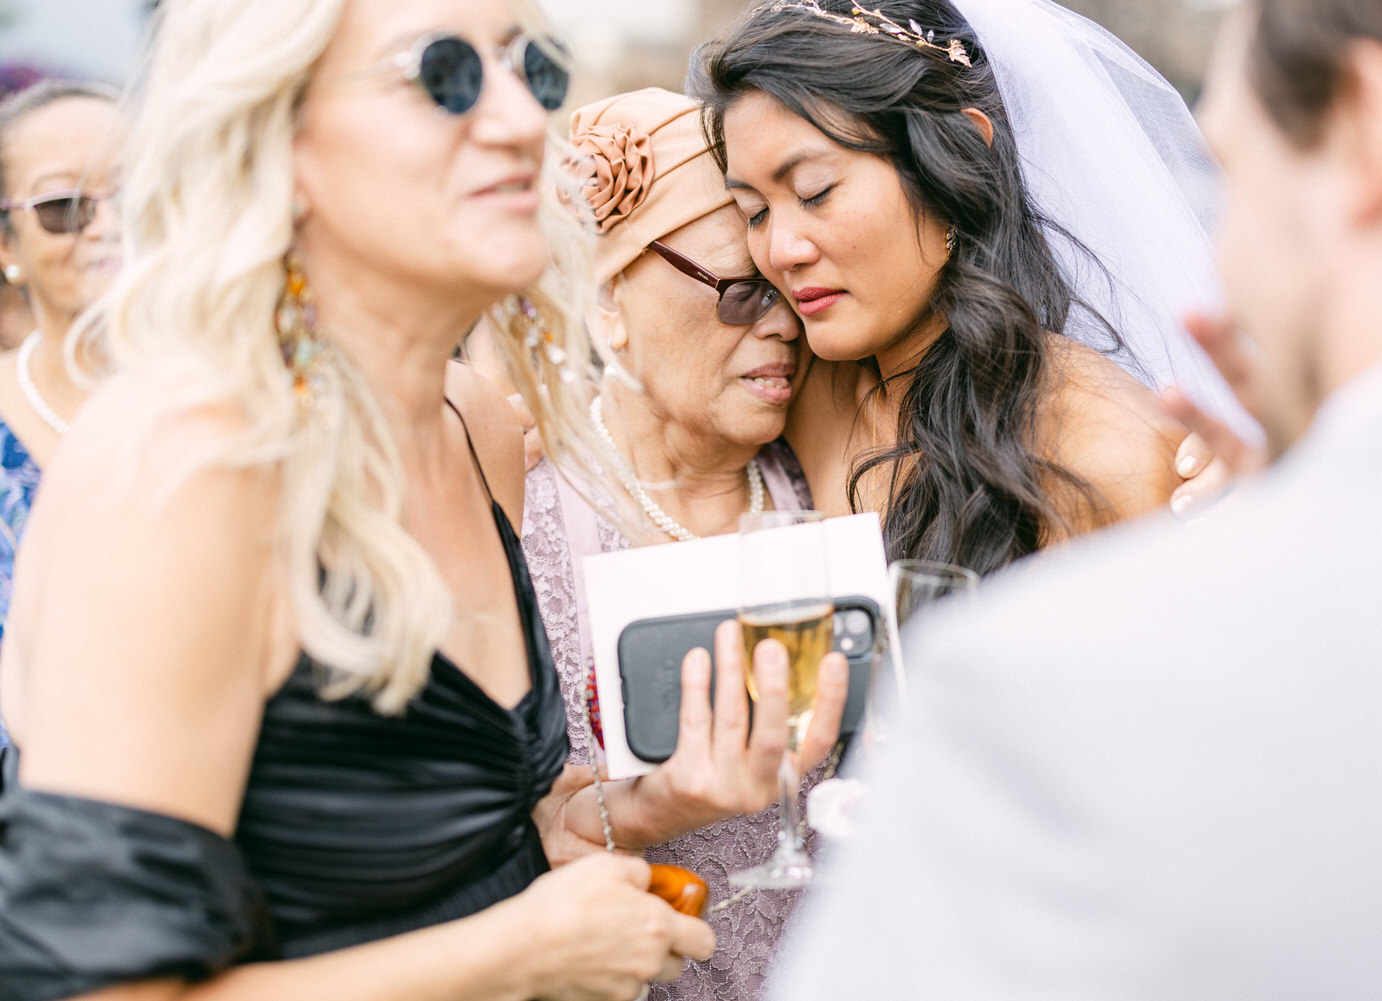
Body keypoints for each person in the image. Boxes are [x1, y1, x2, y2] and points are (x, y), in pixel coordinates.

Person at [0, 0, 846, 997]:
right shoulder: (187, 463)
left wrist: (664, 799)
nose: (519, 121)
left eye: (525, 67)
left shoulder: (471, 421)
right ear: (282, 133)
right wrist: (522, 954)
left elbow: (470, 840)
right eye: (439, 73)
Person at [768, 0, 1382, 995]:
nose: (1205, 294)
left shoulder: (1050, 643)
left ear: (1367, 129)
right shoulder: (794, 379)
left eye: (1227, 182)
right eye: (750, 210)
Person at [693, 0, 1250, 576]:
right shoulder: (798, 384)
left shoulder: (1101, 452)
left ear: (956, 158)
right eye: (753, 211)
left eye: (815, 191)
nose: (781, 252)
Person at [523, 87, 820, 1001]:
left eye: (792, 287)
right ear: (609, 297)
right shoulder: (526, 518)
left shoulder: (834, 477)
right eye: (740, 290)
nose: (782, 322)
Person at [0, 80, 123, 646]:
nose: (108, 224)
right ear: (7, 246)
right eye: (64, 207)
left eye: (135, 194)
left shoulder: (257, 397)